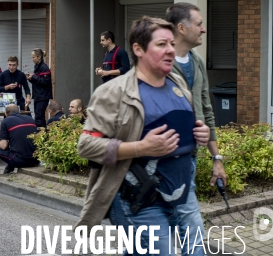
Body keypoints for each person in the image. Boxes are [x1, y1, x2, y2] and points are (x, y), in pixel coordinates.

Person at [76, 17, 210, 256]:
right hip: (136, 200)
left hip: (179, 195)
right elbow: (86, 145)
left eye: (171, 43)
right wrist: (141, 147)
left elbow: (181, 131)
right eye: (161, 44)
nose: (170, 49)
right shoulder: (113, 92)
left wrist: (199, 133)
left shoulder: (177, 82)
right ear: (138, 49)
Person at [166, 2, 227, 254]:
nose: (203, 29)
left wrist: (217, 157)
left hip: (188, 158)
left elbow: (207, 111)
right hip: (161, 160)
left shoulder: (197, 61)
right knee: (176, 229)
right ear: (182, 27)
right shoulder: (162, 63)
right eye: (199, 24)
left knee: (186, 228)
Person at [26, 48, 52, 127]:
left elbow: (45, 81)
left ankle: (42, 135)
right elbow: (37, 81)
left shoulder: (44, 67)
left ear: (39, 57)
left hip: (43, 96)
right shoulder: (37, 67)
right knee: (38, 116)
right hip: (38, 95)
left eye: (33, 57)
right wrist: (30, 78)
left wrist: (33, 77)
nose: (32, 59)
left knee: (39, 117)